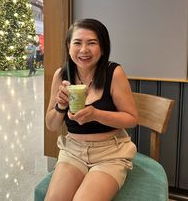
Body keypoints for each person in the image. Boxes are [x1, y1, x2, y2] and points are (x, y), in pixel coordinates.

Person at [45, 18, 138, 201]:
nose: (84, 50)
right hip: (73, 150)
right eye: (77, 43)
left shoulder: (114, 72)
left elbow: (132, 119)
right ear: (69, 46)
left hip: (111, 153)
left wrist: (96, 114)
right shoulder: (62, 74)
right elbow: (51, 124)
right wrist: (60, 106)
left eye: (92, 43)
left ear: (102, 48)